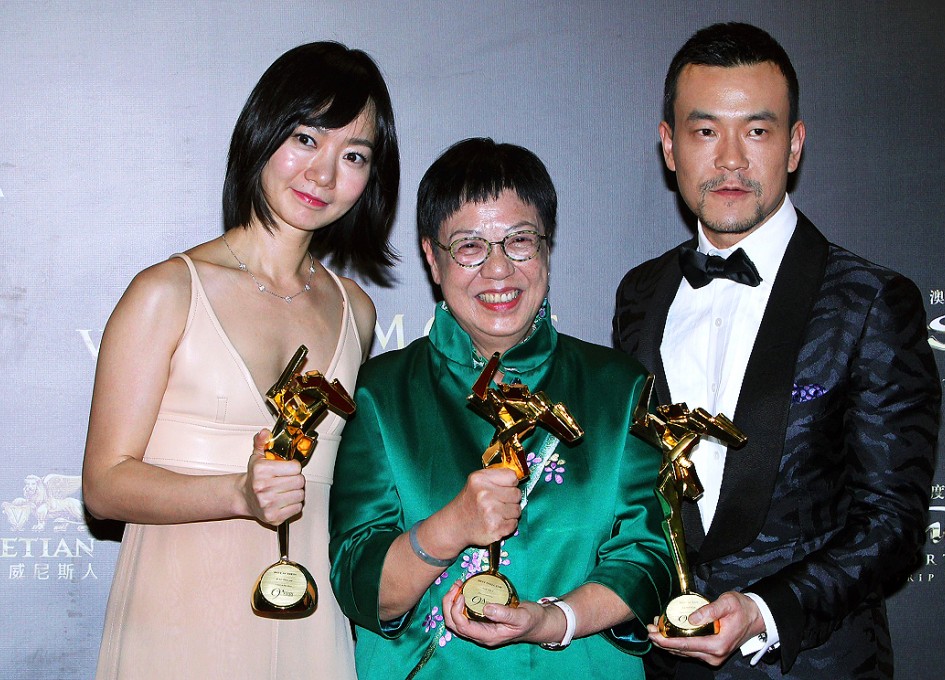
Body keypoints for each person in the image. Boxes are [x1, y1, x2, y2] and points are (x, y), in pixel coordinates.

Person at [613, 22, 941, 680]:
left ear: (793, 145)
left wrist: (763, 611)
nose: (730, 160)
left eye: (756, 131)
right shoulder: (641, 293)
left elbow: (893, 525)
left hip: (814, 666)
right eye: (705, 131)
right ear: (669, 146)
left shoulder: (872, 300)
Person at [82, 41, 399, 679]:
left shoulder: (355, 312)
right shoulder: (168, 291)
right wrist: (237, 493)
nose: (325, 173)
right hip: (177, 624)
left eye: (354, 154)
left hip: (310, 630)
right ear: (263, 132)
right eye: (307, 139)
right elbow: (104, 485)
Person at [329, 138, 673, 679]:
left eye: (519, 241)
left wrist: (550, 620)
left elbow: (650, 560)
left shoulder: (617, 388)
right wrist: (452, 526)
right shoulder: (380, 392)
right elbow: (359, 585)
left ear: (547, 247)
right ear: (432, 259)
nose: (497, 270)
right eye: (469, 246)